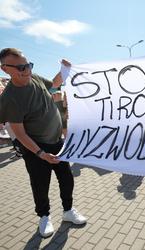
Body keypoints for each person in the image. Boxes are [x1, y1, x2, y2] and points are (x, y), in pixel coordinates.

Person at [0, 48, 87, 238]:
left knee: (66, 178)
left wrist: (64, 70)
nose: (27, 70)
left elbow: (55, 85)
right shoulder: (9, 98)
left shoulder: (35, 78)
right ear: (5, 69)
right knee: (40, 184)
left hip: (58, 142)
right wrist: (41, 154)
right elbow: (20, 133)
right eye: (21, 67)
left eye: (29, 65)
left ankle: (68, 211)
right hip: (35, 148)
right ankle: (44, 217)